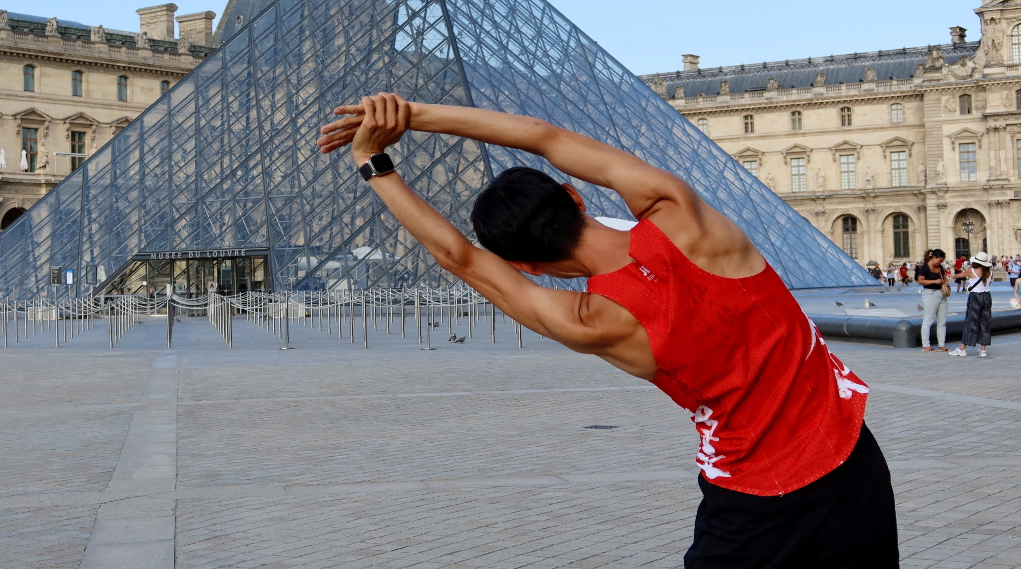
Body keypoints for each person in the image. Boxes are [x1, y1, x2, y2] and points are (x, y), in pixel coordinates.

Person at [318, 94, 897, 568]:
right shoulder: (680, 214)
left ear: (526, 266)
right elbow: (544, 135)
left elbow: (461, 259)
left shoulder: (591, 321)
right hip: (852, 458)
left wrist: (375, 165)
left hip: (755, 500)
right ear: (573, 194)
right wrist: (409, 115)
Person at [950, 252, 993, 357]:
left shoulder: (971, 271)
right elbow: (989, 283)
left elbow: (956, 276)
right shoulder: (990, 272)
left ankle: (962, 348)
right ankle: (983, 350)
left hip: (975, 297)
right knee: (985, 322)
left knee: (971, 322)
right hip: (987, 296)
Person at [915, 249, 949, 352]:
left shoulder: (940, 268)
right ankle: (926, 345)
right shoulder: (925, 268)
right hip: (930, 294)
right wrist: (934, 281)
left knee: (942, 321)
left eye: (942, 261)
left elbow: (943, 278)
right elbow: (920, 281)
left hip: (941, 294)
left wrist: (946, 283)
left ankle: (942, 345)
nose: (940, 263)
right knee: (928, 320)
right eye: (939, 260)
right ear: (934, 257)